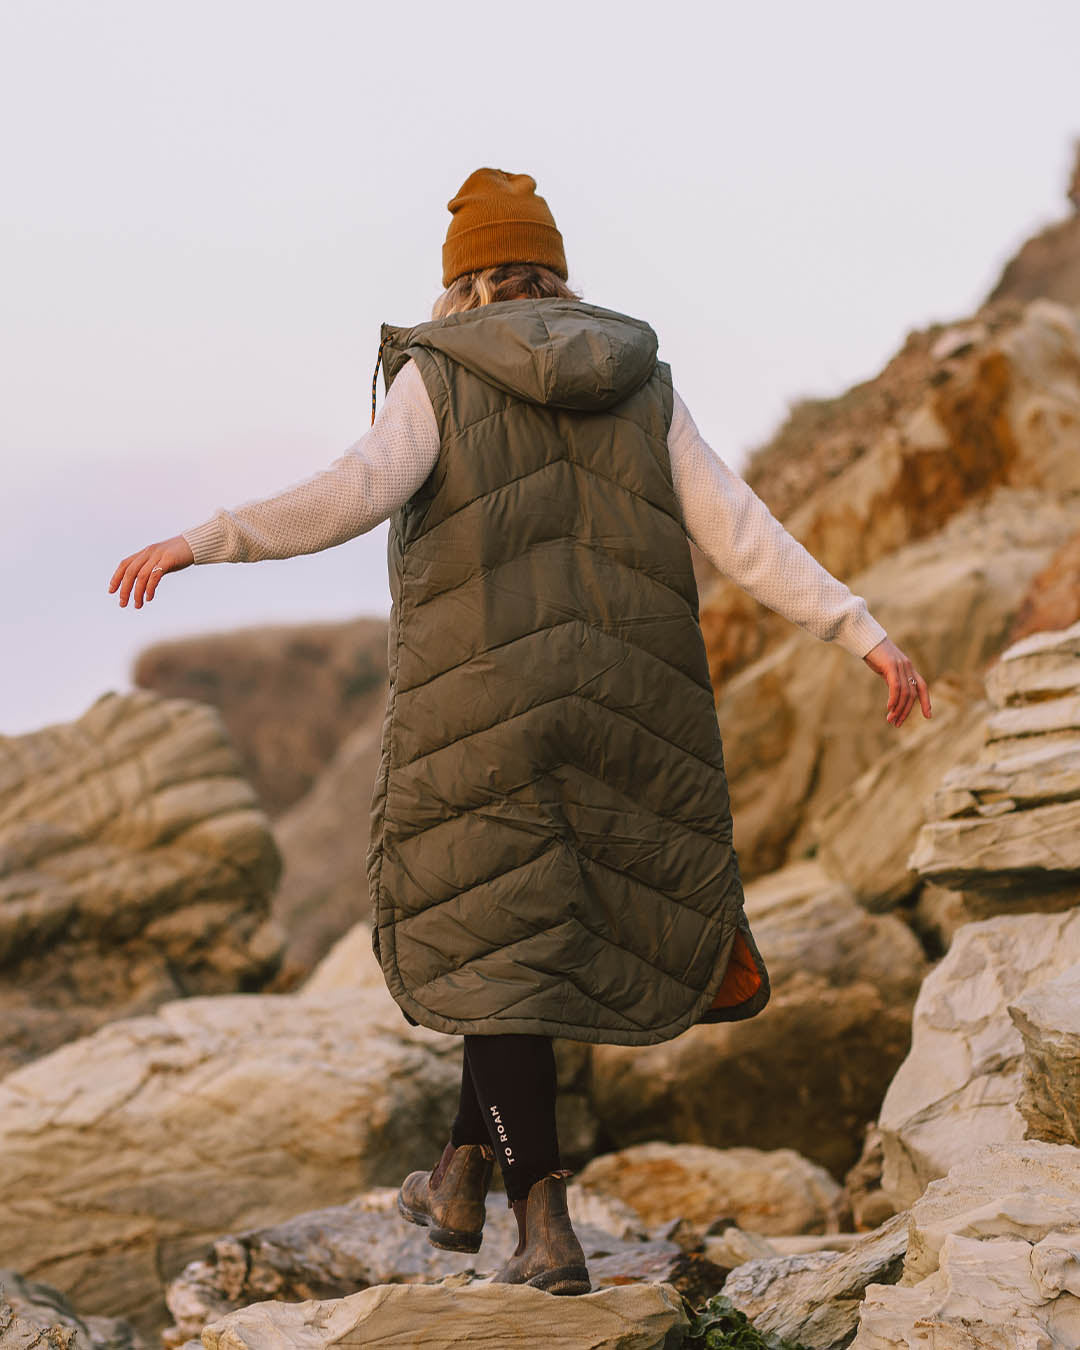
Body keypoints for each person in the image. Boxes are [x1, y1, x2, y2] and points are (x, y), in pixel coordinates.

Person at [108, 167, 931, 1296]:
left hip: (485, 714)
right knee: (524, 946)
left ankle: (545, 1229)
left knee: (496, 951)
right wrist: (863, 631)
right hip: (622, 713)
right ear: (554, 271)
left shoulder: (441, 373)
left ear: (465, 280)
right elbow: (739, 529)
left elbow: (355, 490)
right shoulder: (640, 381)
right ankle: (458, 1181)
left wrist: (207, 539)